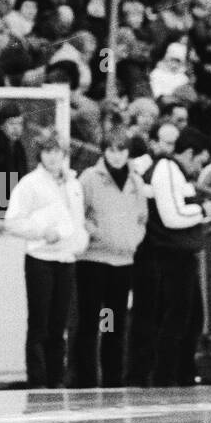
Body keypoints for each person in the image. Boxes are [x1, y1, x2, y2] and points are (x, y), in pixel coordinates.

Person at [127, 123, 211, 387]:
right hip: (159, 257)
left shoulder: (174, 172)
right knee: (115, 318)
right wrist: (203, 212)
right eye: (200, 161)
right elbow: (171, 216)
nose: (201, 168)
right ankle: (161, 375)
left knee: (188, 319)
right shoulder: (164, 168)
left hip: (175, 255)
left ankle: (179, 374)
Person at [0, 128, 88, 388]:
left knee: (59, 324)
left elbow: (76, 220)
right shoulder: (30, 184)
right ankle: (37, 381)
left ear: (64, 153)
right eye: (47, 151)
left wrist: (79, 242)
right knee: (40, 323)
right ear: (40, 154)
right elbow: (13, 222)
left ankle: (56, 380)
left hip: (66, 259)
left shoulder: (73, 184)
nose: (51, 157)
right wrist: (40, 232)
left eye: (56, 151)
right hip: (40, 258)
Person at [74, 129, 146, 388]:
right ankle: (85, 379)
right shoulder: (90, 178)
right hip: (94, 261)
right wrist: (95, 233)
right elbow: (77, 213)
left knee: (113, 322)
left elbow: (141, 218)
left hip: (123, 262)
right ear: (104, 151)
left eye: (122, 150)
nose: (117, 156)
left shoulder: (136, 182)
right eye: (112, 150)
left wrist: (133, 240)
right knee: (90, 320)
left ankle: (113, 378)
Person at [0, 103, 28, 225]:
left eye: (19, 124)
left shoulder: (19, 147)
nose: (16, 128)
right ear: (2, 125)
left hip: (12, 211)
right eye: (12, 124)